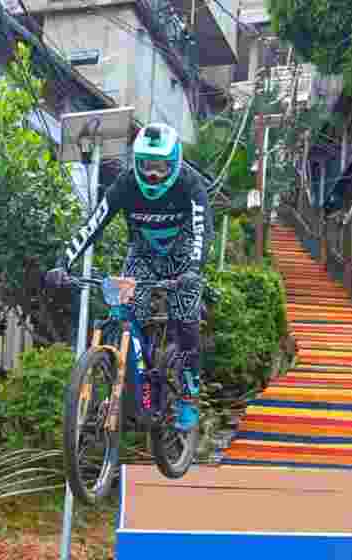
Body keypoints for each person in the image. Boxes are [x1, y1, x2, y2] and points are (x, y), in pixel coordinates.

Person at [45, 122, 213, 431]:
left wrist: (193, 269)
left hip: (183, 256)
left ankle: (189, 393)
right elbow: (93, 225)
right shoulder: (124, 185)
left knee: (185, 316)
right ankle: (140, 376)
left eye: (161, 168)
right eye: (146, 167)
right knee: (123, 311)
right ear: (135, 163)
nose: (152, 176)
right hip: (143, 255)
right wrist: (63, 263)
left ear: (174, 163)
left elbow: (202, 230)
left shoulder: (190, 184)